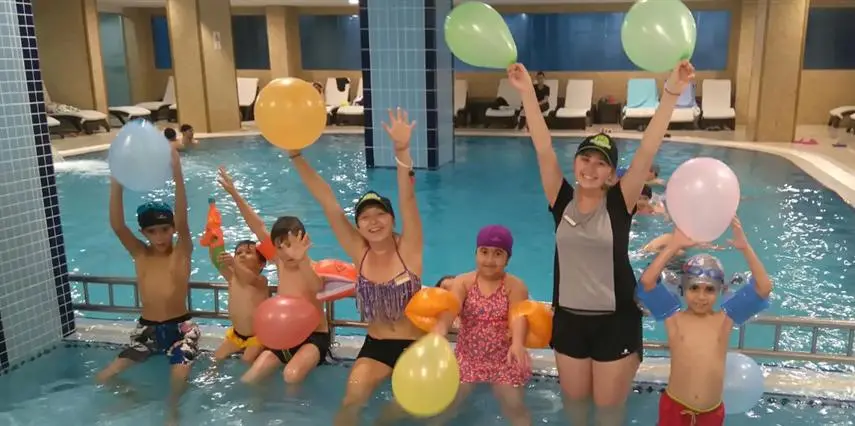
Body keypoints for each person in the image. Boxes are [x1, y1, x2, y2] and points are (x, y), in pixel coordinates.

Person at [507, 59, 695, 426]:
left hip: (616, 323)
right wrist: (528, 93)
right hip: (569, 322)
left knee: (608, 414)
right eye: (585, 159)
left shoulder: (620, 202)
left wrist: (672, 91)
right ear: (576, 162)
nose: (590, 168)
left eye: (601, 163)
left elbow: (647, 149)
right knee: (575, 411)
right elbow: (543, 148)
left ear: (611, 173)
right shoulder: (560, 198)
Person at [290, 108, 423, 426]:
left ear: (392, 219)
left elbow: (407, 198)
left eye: (380, 215)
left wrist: (402, 150)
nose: (373, 222)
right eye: (365, 217)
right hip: (377, 345)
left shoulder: (409, 247)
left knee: (400, 409)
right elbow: (328, 203)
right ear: (359, 225)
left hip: (414, 345)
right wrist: (295, 156)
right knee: (351, 399)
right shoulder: (359, 252)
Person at [95, 148, 198, 424]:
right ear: (143, 233)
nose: (160, 237)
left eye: (165, 230)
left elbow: (183, 219)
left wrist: (177, 173)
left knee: (179, 377)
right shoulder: (140, 253)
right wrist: (117, 180)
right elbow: (118, 225)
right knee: (104, 377)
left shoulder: (181, 251)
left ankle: (173, 411)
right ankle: (134, 399)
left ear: (173, 229)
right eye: (152, 232)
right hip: (147, 330)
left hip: (180, 329)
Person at [637, 218, 772, 425]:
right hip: (675, 408)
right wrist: (673, 245)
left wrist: (745, 247)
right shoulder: (673, 317)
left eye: (709, 289)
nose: (701, 297)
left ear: (720, 291)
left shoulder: (725, 319)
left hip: (711, 413)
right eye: (694, 288)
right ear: (683, 288)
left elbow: (763, 288)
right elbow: (647, 282)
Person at [215, 167, 330, 385]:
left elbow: (317, 288)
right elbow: (257, 225)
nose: (286, 252)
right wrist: (234, 193)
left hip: (314, 338)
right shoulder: (280, 262)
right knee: (250, 377)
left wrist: (302, 259)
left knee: (291, 374)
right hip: (284, 335)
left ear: (304, 240)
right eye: (280, 247)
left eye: (290, 245)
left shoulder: (314, 267)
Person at [432, 225, 532, 426]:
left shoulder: (515, 285)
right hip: (468, 358)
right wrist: (440, 329)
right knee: (446, 407)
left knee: (515, 407)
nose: (489, 259)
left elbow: (518, 316)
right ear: (475, 253)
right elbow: (451, 308)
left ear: (508, 259)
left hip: (504, 359)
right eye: (484, 252)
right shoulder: (463, 282)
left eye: (498, 253)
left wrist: (517, 344)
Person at [209, 239, 268, 363]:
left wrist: (235, 264)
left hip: (257, 337)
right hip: (236, 335)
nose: (242, 255)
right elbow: (217, 261)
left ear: (261, 264)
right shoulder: (232, 277)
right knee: (217, 357)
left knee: (247, 360)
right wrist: (214, 242)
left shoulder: (260, 280)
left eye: (248, 252)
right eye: (238, 253)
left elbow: (249, 278)